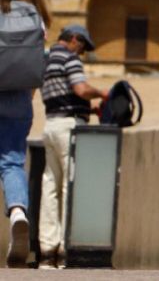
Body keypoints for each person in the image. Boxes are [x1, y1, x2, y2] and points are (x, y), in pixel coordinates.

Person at [0, 0, 49, 268]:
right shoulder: (33, 9)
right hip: (19, 96)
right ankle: (18, 211)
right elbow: (37, 56)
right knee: (11, 163)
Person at [37, 21, 102, 270]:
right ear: (74, 39)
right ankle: (66, 248)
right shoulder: (70, 59)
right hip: (69, 128)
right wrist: (103, 93)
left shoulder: (45, 59)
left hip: (51, 125)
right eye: (82, 46)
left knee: (49, 186)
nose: (82, 52)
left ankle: (47, 249)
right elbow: (80, 89)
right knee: (70, 185)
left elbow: (59, 95)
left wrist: (87, 109)